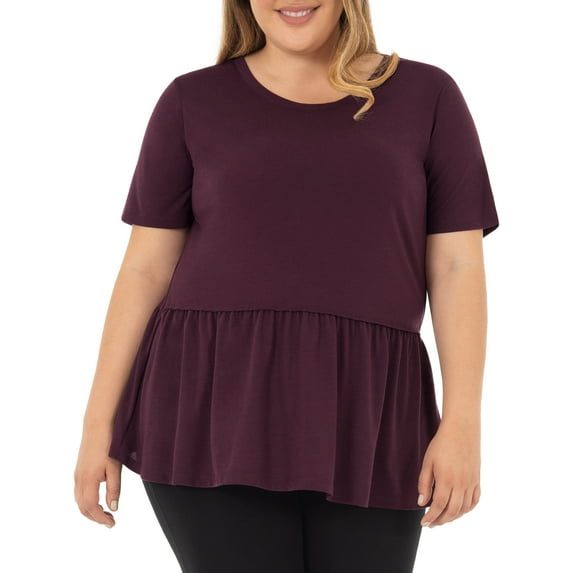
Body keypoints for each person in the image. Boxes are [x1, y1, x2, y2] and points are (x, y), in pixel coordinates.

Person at [74, 1, 499, 571]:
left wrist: (462, 423)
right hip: (210, 411)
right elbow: (144, 270)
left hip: (371, 417)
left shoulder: (428, 97)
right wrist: (96, 427)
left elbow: (457, 267)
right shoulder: (191, 101)